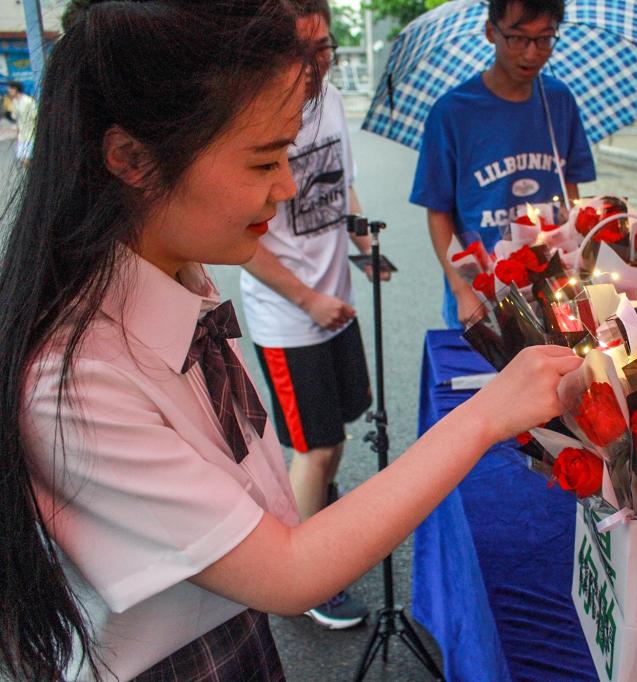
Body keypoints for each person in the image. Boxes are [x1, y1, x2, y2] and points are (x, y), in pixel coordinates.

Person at [0, 2, 581, 680]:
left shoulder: (181, 276)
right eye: (263, 162)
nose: (288, 185)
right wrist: (485, 414)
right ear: (132, 158)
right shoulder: (75, 383)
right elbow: (288, 571)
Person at [239, 0, 381, 630]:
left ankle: (316, 504)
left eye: (324, 48)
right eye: (304, 51)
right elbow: (242, 241)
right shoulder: (254, 115)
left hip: (334, 303)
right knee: (314, 445)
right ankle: (303, 580)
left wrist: (362, 242)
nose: (318, 63)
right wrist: (307, 300)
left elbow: (340, 184)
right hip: (290, 318)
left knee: (338, 432)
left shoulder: (329, 100)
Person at [410, 0, 596, 329]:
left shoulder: (558, 101)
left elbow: (570, 188)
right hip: (481, 291)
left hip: (552, 285)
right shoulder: (452, 112)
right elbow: (438, 212)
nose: (531, 53)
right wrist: (461, 290)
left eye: (544, 39)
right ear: (490, 31)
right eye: (517, 38)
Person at [6, 81, 36, 168]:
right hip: (22, 135)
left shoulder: (28, 101)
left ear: (15, 89)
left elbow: (35, 115)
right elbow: (15, 116)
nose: (9, 92)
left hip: (30, 133)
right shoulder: (14, 102)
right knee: (22, 158)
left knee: (27, 159)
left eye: (10, 90)